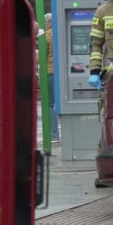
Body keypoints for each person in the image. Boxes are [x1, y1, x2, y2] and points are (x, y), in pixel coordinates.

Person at [44, 13, 60, 142]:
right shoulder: (60, 33)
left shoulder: (47, 35)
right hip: (60, 73)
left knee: (49, 104)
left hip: (49, 72)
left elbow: (42, 57)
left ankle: (54, 134)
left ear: (48, 23)